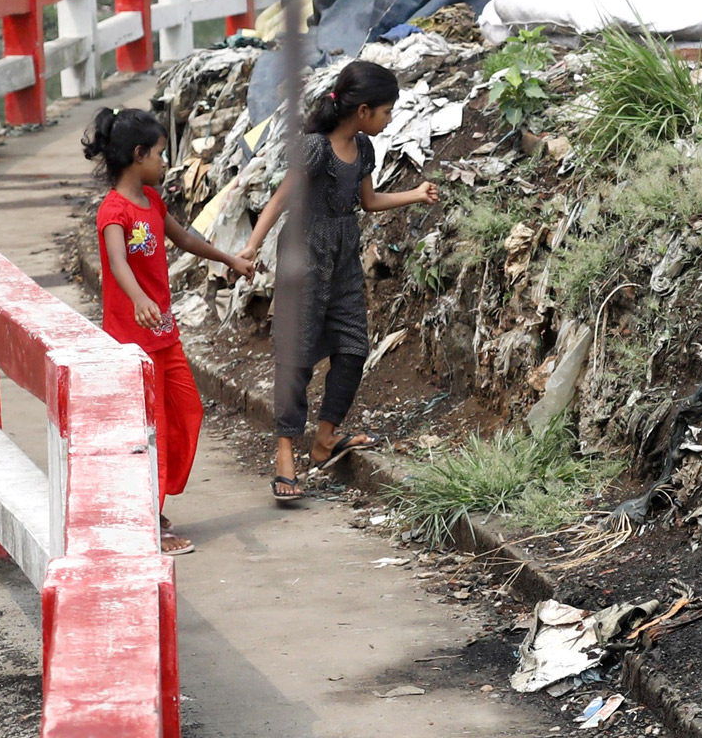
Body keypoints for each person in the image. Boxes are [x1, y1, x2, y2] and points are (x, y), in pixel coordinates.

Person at [238, 61, 438, 503]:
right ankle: (285, 452)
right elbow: (280, 200)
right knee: (297, 354)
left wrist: (415, 194)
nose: (389, 119)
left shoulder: (363, 147)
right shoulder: (315, 149)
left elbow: (368, 201)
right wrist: (251, 247)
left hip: (344, 255)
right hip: (305, 255)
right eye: (386, 111)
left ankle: (325, 437)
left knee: (352, 348)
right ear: (363, 110)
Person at [84, 106, 256, 554]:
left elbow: (186, 239)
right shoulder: (113, 210)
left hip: (164, 336)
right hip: (131, 343)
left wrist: (230, 259)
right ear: (138, 154)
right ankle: (149, 519)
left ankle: (150, 502)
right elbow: (118, 262)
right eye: (161, 154)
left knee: (186, 413)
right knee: (153, 429)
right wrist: (139, 298)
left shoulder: (152, 202)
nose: (165, 163)